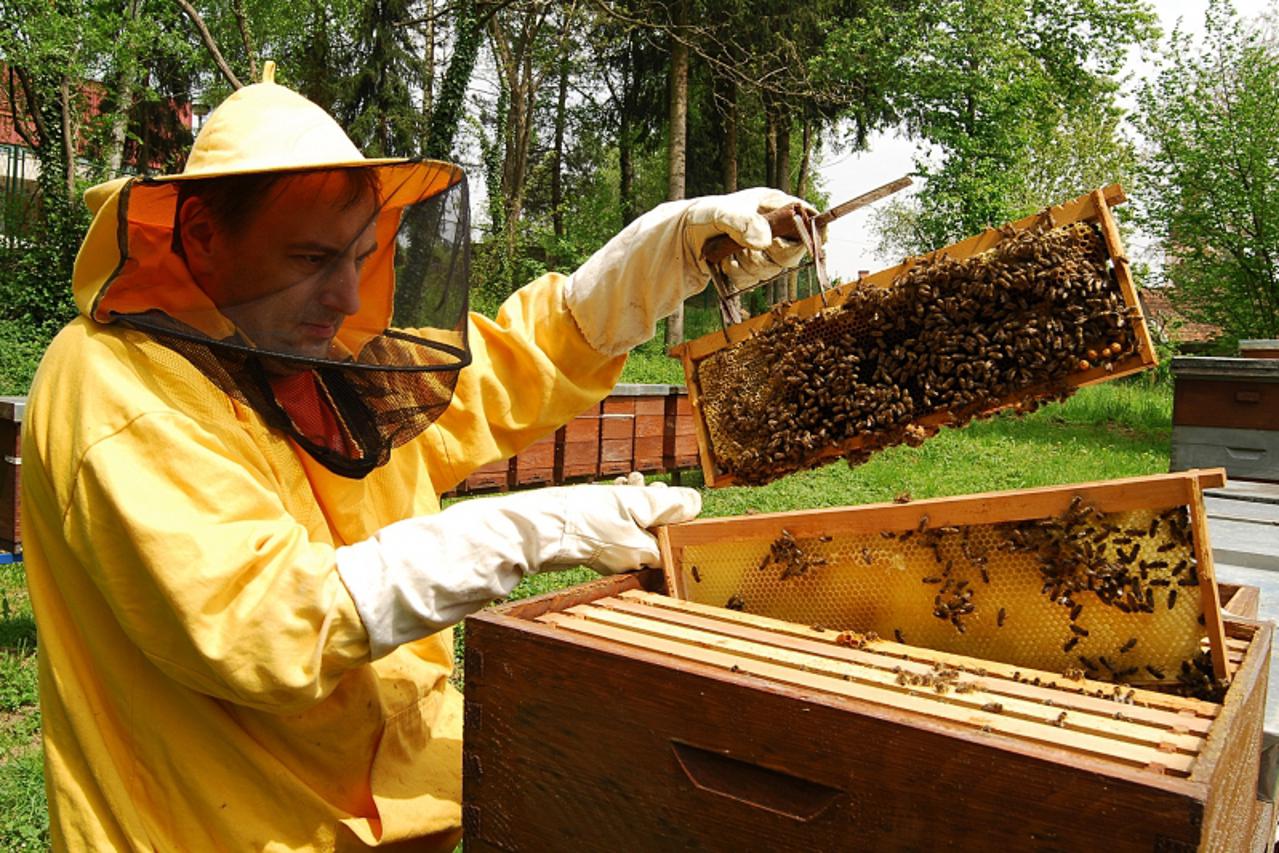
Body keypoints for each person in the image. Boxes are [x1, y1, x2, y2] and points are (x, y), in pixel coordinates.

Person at [20, 62, 815, 851]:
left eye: (358, 256)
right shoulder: (116, 385)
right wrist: (521, 533)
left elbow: (496, 372)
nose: (343, 294)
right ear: (201, 234)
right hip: (208, 828)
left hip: (404, 808)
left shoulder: (314, 356)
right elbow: (258, 622)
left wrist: (662, 254)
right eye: (310, 258)